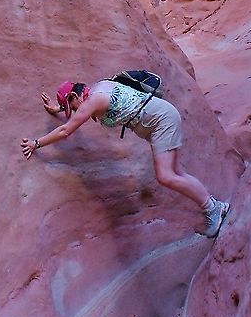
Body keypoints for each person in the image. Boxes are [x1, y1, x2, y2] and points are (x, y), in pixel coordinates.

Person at [21, 79, 230, 238]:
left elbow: (66, 130)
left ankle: (213, 208)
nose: (73, 111)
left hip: (160, 122)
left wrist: (36, 143)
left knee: (165, 176)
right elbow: (78, 109)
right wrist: (57, 107)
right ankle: (213, 206)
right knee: (176, 173)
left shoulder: (94, 101)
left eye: (71, 106)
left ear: (75, 98)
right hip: (160, 117)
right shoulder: (96, 88)